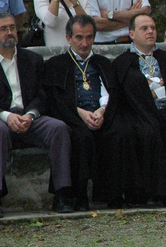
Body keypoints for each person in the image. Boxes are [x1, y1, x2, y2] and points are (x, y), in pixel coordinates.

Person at [0, 12, 75, 218]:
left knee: (58, 128)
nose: (10, 32)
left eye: (12, 28)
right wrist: (6, 116)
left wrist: (31, 115)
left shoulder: (33, 60)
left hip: (30, 118)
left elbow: (43, 95)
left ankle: (62, 194)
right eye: (3, 29)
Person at [42, 15, 122, 209]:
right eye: (79, 37)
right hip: (72, 117)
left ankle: (112, 194)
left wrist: (102, 111)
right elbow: (55, 100)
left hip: (101, 115)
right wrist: (81, 113)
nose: (84, 43)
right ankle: (78, 195)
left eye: (89, 37)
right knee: (81, 136)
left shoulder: (103, 63)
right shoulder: (56, 64)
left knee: (118, 133)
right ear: (68, 38)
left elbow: (112, 92)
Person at [109, 15, 166, 208]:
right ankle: (148, 192)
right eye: (144, 28)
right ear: (132, 34)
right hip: (139, 113)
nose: (150, 31)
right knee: (147, 131)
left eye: (152, 27)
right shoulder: (122, 63)